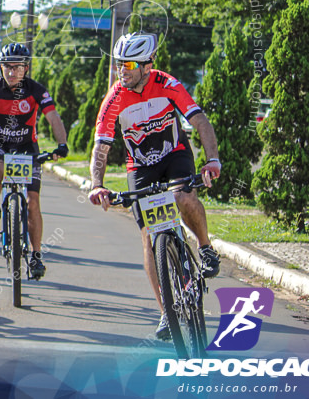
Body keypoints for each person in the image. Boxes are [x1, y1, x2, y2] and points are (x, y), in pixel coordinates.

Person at [86, 32, 223, 341]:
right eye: (120, 63)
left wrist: (212, 160)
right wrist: (97, 184)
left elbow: (200, 121)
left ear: (148, 66)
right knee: (148, 237)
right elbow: (101, 147)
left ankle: (204, 247)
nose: (123, 69)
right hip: (141, 166)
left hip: (175, 154)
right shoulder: (114, 99)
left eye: (130, 63)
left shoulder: (168, 84)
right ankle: (166, 310)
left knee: (182, 196)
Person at [0, 43, 68, 280]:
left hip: (27, 146)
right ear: (1, 67)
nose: (11, 72)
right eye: (7, 67)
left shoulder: (36, 90)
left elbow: (53, 117)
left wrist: (62, 144)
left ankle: (36, 255)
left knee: (32, 202)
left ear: (26, 68)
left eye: (17, 67)